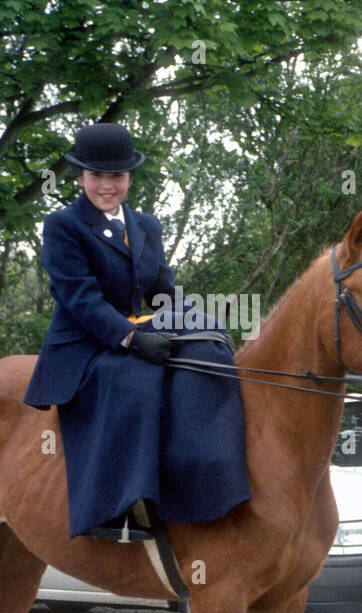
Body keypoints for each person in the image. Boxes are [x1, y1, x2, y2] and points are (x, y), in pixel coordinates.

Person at [23, 122, 250, 540]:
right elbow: (82, 299)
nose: (106, 186)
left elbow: (162, 289)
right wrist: (132, 338)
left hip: (136, 328)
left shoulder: (146, 225)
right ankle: (122, 507)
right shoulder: (63, 225)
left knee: (206, 357)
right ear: (81, 177)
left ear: (129, 178)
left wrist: (200, 324)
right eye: (96, 176)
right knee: (138, 383)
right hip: (84, 342)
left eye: (116, 176)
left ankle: (206, 478)